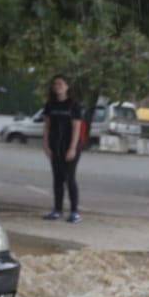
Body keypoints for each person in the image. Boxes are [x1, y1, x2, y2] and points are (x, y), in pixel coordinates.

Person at [41, 76, 83, 223]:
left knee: (69, 177)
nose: (57, 86)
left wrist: (72, 148)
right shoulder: (50, 105)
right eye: (55, 84)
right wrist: (46, 145)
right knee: (57, 178)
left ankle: (74, 212)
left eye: (60, 84)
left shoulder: (74, 105)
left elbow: (77, 128)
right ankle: (57, 210)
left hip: (70, 145)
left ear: (67, 86)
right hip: (55, 145)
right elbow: (47, 126)